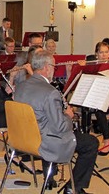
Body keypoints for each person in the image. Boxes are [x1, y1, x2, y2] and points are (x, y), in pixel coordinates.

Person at [15, 51, 98, 194]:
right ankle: (73, 188)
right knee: (91, 143)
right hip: (45, 142)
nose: (54, 69)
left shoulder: (21, 86)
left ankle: (50, 178)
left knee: (47, 124)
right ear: (46, 67)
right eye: (53, 65)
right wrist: (68, 116)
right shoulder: (50, 91)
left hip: (24, 139)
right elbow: (60, 127)